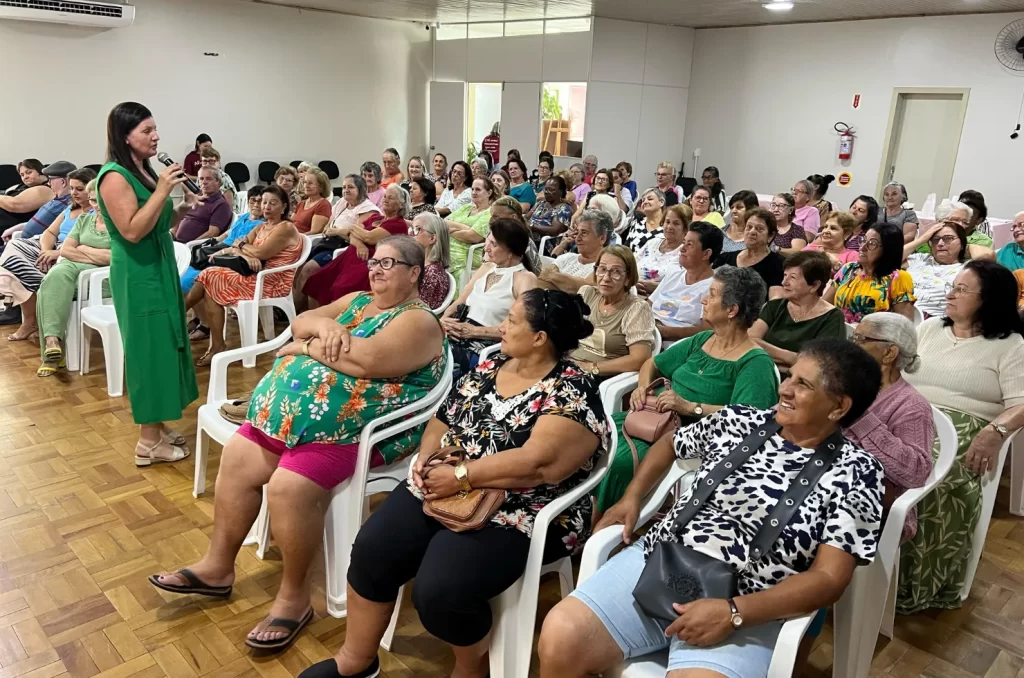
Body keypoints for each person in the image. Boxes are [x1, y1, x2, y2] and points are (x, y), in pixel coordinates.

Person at [151, 236, 448, 653]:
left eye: (389, 264)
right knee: (237, 457)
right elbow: (302, 320)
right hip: (293, 421)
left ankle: (295, 598)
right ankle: (218, 567)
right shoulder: (360, 301)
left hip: (359, 431)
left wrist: (305, 348)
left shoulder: (418, 321)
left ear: (414, 273)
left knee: (288, 488)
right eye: (374, 261)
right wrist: (323, 328)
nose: (376, 270)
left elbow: (366, 361)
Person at [299, 287, 605, 678]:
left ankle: (469, 667)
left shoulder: (572, 386)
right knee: (374, 549)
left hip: (523, 507)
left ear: (540, 338)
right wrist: (428, 457)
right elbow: (442, 418)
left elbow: (538, 465)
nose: (501, 327)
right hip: (448, 484)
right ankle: (357, 659)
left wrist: (461, 476)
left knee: (441, 590)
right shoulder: (492, 365)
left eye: (511, 321)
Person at [539, 340, 884, 678]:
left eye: (803, 384)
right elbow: (670, 444)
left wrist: (735, 612)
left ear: (838, 407)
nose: (785, 389)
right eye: (790, 376)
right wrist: (633, 496)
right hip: (661, 561)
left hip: (751, 598)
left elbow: (830, 578)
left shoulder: (858, 473)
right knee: (561, 635)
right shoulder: (739, 421)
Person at [597, 266, 778, 514]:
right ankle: (576, 517)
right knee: (590, 437)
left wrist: (689, 407)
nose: (703, 299)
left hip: (690, 437)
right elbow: (652, 363)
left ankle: (607, 524)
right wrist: (642, 388)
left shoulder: (755, 363)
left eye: (712, 294)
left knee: (618, 460)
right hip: (651, 418)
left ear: (732, 310)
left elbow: (749, 419)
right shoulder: (702, 340)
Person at [898, 260, 1024, 614]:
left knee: (928, 479)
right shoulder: (931, 329)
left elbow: (1022, 403)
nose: (949, 293)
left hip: (963, 427)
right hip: (909, 415)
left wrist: (996, 430)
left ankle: (916, 584)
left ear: (988, 300)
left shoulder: (1010, 345)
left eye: (961, 289)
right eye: (952, 286)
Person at [96, 102, 199, 465]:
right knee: (147, 351)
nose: (155, 137)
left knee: (165, 344)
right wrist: (163, 191)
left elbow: (157, 224)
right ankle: (147, 442)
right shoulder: (113, 177)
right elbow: (132, 230)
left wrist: (184, 207)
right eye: (146, 131)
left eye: (155, 129)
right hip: (138, 273)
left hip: (158, 265)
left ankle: (157, 424)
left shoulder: (141, 170)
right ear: (125, 136)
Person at [185, 185, 302, 364]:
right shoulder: (262, 227)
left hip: (271, 281)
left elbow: (261, 253)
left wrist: (242, 248)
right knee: (210, 282)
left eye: (273, 203)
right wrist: (243, 252)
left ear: (284, 207)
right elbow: (236, 247)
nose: (267, 207)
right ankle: (216, 345)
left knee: (210, 275)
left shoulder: (285, 228)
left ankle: (177, 317)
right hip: (254, 275)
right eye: (264, 202)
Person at [846, 313, 934, 542]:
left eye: (860, 339)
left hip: (869, 509)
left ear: (889, 353)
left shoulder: (912, 406)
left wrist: (860, 416)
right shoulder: (843, 384)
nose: (851, 346)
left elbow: (915, 471)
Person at [0, 166, 95, 338]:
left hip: (69, 253)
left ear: (92, 190)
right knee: (14, 247)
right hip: (50, 246)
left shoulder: (97, 214)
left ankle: (31, 318)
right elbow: (50, 233)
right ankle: (31, 315)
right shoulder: (70, 209)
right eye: (72, 188)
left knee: (14, 269)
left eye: (79, 189)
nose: (74, 193)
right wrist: (45, 251)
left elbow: (89, 245)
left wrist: (57, 254)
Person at [440, 218, 538, 379]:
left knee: (440, 358)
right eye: (488, 241)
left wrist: (476, 331)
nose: (486, 248)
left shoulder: (524, 278)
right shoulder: (487, 268)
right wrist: (444, 321)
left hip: (488, 342)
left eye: (494, 244)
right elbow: (460, 301)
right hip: (461, 331)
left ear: (510, 251)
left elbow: (524, 327)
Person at [34, 179, 111, 376]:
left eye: (100, 200)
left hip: (100, 278)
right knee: (54, 277)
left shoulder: (120, 225)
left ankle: (52, 354)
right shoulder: (85, 220)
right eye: (93, 201)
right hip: (72, 269)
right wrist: (92, 253)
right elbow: (66, 250)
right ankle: (53, 343)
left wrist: (83, 248)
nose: (96, 206)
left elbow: (114, 257)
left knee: (49, 286)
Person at [304, 185, 412, 307]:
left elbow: (369, 237)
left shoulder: (398, 224)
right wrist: (360, 244)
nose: (385, 199)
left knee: (340, 289)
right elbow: (352, 235)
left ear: (401, 204)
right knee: (316, 281)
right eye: (385, 196)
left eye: (391, 198)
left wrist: (356, 231)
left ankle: (339, 322)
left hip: (369, 261)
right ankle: (315, 319)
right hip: (350, 255)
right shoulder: (376, 217)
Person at [749, 250, 845, 368]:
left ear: (815, 285)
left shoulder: (831, 317)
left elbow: (820, 364)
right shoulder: (774, 307)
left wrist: (767, 352)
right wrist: (791, 357)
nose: (784, 282)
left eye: (793, 278)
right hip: (762, 370)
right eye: (785, 275)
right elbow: (750, 341)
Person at [572, 245, 656, 379]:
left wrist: (591, 367)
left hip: (598, 378)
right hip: (569, 365)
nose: (606, 278)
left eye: (615, 271)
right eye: (602, 269)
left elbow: (640, 359)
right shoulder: (586, 294)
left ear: (628, 278)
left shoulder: (637, 308)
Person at [181, 186, 266, 299]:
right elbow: (228, 232)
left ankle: (189, 307)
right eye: (252, 200)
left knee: (193, 275)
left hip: (231, 254)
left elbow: (246, 247)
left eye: (260, 201)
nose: (256, 204)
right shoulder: (245, 216)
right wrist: (214, 241)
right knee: (189, 266)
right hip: (221, 247)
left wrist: (223, 250)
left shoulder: (262, 224)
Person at [825, 222, 916, 324]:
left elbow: (905, 325)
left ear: (887, 250)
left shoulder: (898, 278)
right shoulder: (849, 269)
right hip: (839, 332)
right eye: (863, 240)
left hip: (875, 337)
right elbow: (825, 305)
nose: (862, 247)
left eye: (872, 244)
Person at [651, 222, 723, 342]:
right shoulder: (674, 273)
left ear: (706, 254)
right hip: (649, 332)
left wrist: (665, 332)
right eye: (684, 242)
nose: (682, 248)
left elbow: (707, 330)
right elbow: (648, 304)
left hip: (677, 345)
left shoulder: (715, 287)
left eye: (689, 245)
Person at [902, 221, 969, 318]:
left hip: (933, 320)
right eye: (935, 239)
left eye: (948, 238)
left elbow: (988, 255)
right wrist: (921, 240)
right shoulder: (920, 259)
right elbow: (888, 259)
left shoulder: (966, 269)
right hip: (899, 313)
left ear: (962, 244)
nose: (940, 243)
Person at [715, 207, 786, 296]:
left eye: (759, 229)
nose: (752, 232)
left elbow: (774, 304)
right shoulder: (725, 258)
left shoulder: (779, 264)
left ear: (771, 236)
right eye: (749, 227)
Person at [539, 210, 613, 294]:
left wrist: (550, 275)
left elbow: (584, 289)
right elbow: (543, 279)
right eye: (577, 232)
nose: (577, 238)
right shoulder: (567, 257)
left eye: (584, 233)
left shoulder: (606, 267)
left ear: (602, 238)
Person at [446, 177, 497, 290]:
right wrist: (465, 228)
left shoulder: (490, 213)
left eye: (478, 190)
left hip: (470, 252)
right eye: (472, 189)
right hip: (451, 245)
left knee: (443, 257)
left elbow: (473, 237)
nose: (473, 192)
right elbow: (444, 223)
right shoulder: (466, 207)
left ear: (489, 192)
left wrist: (450, 231)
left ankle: (455, 299)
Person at [12, 161, 79, 240]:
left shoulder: (67, 204)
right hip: (22, 239)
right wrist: (17, 228)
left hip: (33, 243)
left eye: (50, 180)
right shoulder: (58, 199)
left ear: (63, 182)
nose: (49, 183)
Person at [635, 204, 687, 294]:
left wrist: (658, 288)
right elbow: (631, 264)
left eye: (676, 223)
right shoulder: (652, 243)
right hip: (633, 292)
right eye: (667, 222)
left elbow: (682, 287)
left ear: (686, 228)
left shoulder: (686, 253)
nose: (669, 227)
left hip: (662, 300)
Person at [172, 167, 232, 243]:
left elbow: (212, 233)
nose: (204, 182)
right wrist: (172, 234)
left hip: (192, 247)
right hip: (176, 242)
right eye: (201, 179)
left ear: (218, 181)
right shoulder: (194, 198)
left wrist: (190, 245)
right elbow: (179, 218)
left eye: (209, 179)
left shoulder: (221, 204)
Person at [0, 159, 56, 236]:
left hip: (10, 227)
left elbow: (14, 205)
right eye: (22, 175)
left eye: (29, 172)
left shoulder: (45, 189)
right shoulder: (21, 186)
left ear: (40, 171)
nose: (25, 177)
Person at [410, 212, 451, 310]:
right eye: (411, 228)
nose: (411, 234)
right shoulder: (419, 264)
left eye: (417, 229)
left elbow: (421, 310)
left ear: (432, 238)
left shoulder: (433, 273)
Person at [528, 176, 573, 253]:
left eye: (551, 190)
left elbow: (555, 230)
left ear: (561, 191)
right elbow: (526, 217)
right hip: (529, 238)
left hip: (545, 244)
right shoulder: (541, 203)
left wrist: (533, 227)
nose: (547, 192)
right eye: (546, 189)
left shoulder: (564, 209)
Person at [620, 188, 666, 255]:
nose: (645, 202)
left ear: (661, 202)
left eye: (650, 199)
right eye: (643, 200)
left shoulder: (668, 227)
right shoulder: (636, 223)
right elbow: (626, 249)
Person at [288, 167, 332, 235]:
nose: (306, 186)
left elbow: (315, 232)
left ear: (321, 187)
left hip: (304, 240)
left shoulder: (323, 205)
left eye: (310, 183)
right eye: (305, 182)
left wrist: (295, 238)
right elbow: (290, 224)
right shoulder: (301, 203)